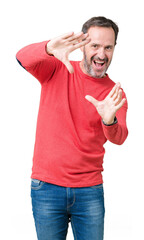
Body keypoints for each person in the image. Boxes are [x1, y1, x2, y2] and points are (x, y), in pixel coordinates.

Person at [16, 16, 128, 240]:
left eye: (108, 47)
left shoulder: (114, 93)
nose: (101, 54)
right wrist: (47, 48)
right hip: (46, 188)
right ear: (83, 44)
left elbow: (120, 137)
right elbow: (22, 58)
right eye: (95, 45)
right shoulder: (57, 69)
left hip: (89, 191)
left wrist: (109, 120)